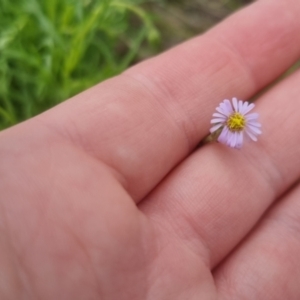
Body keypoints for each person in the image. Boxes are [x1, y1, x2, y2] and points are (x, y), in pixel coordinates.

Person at [1, 0, 300, 299]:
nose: (238, 120)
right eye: (236, 120)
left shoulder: (236, 125)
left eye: (238, 121)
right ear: (231, 117)